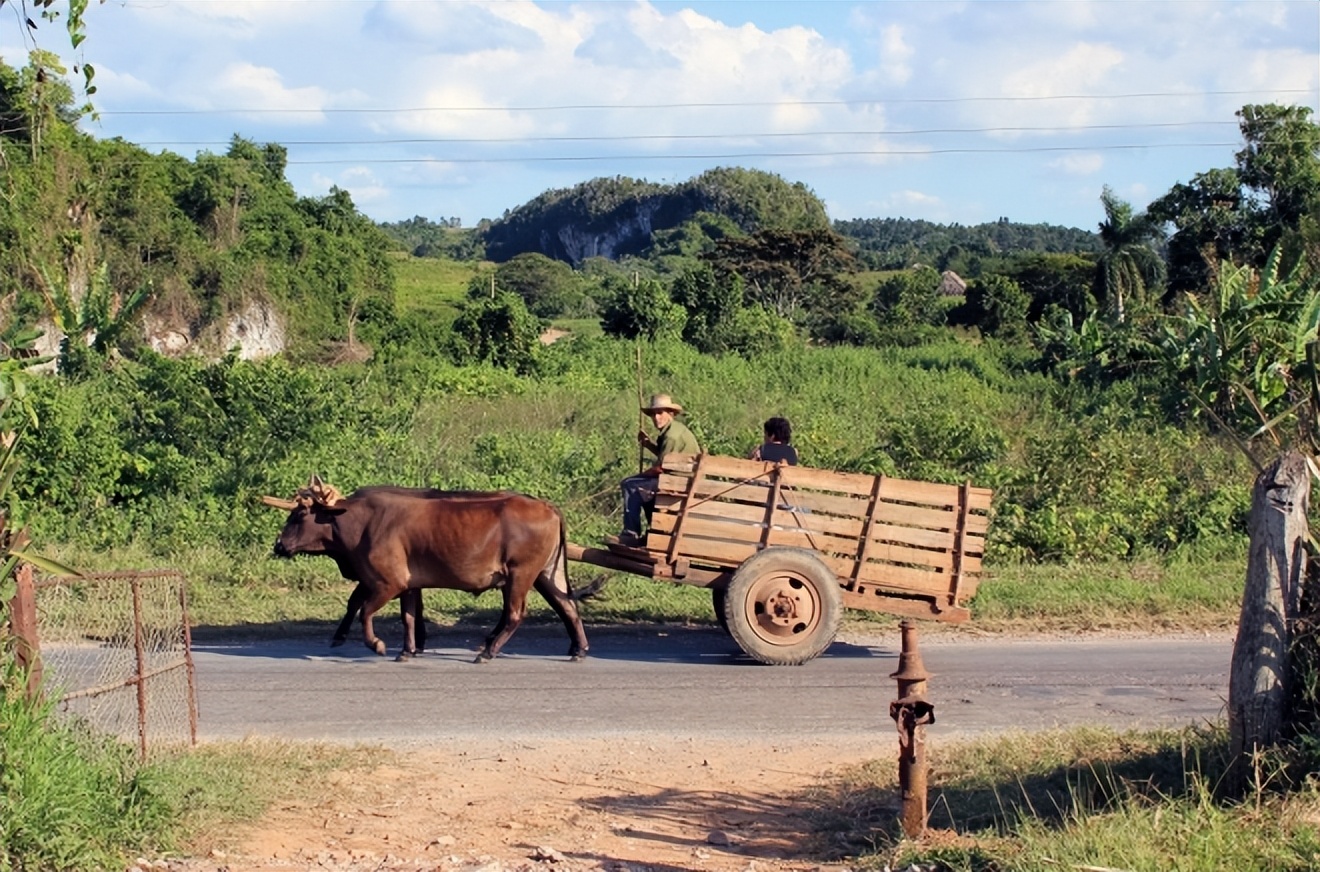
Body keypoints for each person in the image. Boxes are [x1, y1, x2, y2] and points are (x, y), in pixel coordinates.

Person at [612, 393, 701, 546]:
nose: (656, 418)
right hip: (677, 480)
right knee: (641, 487)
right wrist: (648, 444)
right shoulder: (673, 431)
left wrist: (640, 475)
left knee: (630, 485)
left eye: (660, 413)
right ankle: (654, 531)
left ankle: (630, 534)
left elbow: (661, 468)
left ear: (670, 413)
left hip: (678, 482)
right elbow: (667, 458)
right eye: (653, 414)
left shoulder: (671, 436)